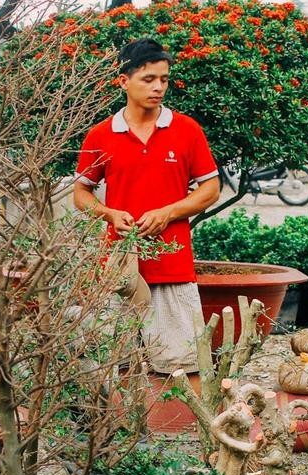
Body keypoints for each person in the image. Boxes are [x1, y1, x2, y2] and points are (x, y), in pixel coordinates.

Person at [73, 38, 221, 383]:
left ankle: (194, 435)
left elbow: (210, 189)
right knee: (116, 366)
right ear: (123, 81)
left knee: (187, 365)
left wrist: (168, 212)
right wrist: (109, 213)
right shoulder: (101, 135)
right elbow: (81, 193)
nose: (158, 87)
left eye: (164, 79)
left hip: (173, 268)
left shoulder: (186, 130)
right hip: (118, 271)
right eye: (148, 79)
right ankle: (127, 435)